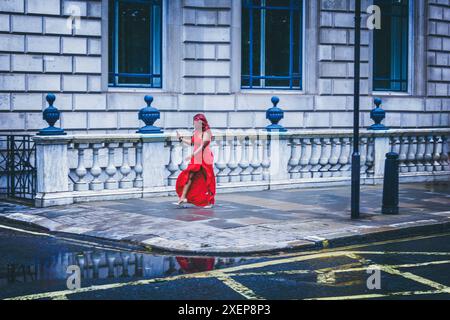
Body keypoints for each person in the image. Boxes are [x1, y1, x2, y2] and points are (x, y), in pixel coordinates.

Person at [175, 114, 216, 208]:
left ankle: (209, 201)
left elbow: (202, 146)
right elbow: (192, 143)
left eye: (197, 122)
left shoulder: (207, 132)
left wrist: (191, 155)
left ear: (202, 122)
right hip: (197, 158)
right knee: (189, 176)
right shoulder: (197, 132)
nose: (195, 124)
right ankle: (183, 198)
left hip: (205, 157)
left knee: (207, 178)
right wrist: (181, 139)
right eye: (195, 122)